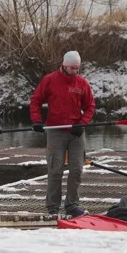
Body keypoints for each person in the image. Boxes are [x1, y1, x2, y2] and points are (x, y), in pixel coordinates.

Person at [29, 50, 95, 218]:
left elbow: (90, 106)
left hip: (76, 132)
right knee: (55, 169)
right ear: (64, 66)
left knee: (76, 170)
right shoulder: (49, 80)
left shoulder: (82, 83)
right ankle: (52, 207)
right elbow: (36, 100)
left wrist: (82, 122)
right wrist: (37, 120)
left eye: (77, 68)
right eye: (72, 68)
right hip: (55, 131)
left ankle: (72, 205)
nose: (75, 71)